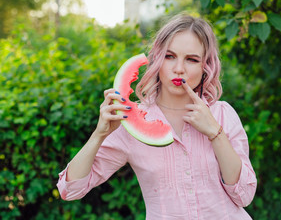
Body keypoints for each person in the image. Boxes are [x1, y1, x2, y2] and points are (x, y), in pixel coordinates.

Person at [57, 14, 257, 219]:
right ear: (158, 60)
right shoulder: (130, 121)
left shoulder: (222, 114)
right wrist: (99, 134)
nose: (179, 69)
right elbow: (69, 189)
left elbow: (245, 195)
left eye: (192, 59)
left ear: (205, 66)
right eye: (170, 56)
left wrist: (216, 133)